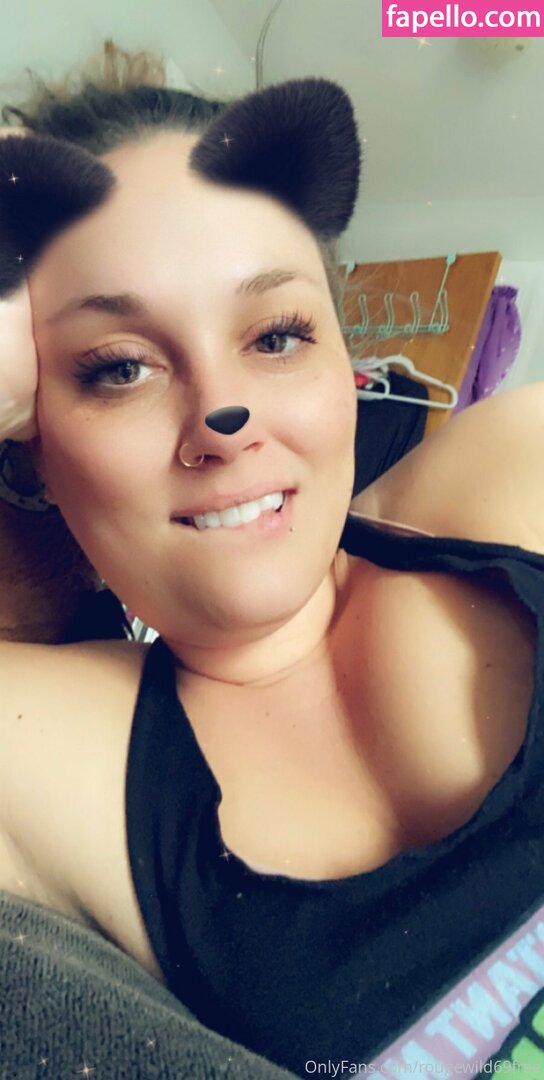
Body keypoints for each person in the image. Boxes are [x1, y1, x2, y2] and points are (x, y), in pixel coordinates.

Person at [0, 38, 543, 1080]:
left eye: (277, 335)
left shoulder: (515, 472)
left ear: (344, 358)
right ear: (34, 441)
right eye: (119, 367)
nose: (224, 416)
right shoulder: (49, 755)